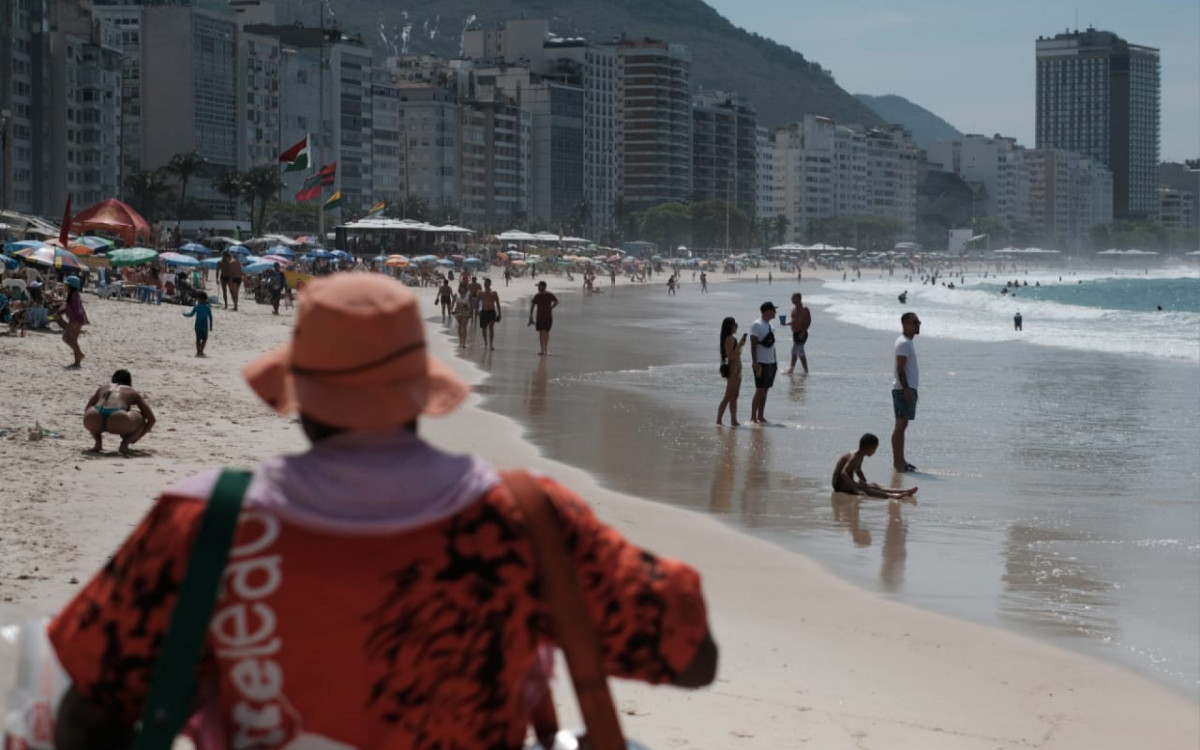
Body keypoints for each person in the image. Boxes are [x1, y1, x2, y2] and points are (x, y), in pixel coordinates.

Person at [50, 274, 717, 750]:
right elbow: (691, 658)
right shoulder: (525, 521)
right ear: (418, 391)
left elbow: (90, 714)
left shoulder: (202, 523)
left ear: (299, 396)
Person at [82, 369, 156, 455]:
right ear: (129, 382)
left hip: (92, 418)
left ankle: (98, 443)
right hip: (118, 418)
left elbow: (87, 408)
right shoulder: (131, 391)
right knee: (141, 415)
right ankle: (124, 445)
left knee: (93, 412)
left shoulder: (103, 387)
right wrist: (137, 437)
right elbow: (151, 419)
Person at [833, 434, 918, 499]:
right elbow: (843, 473)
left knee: (874, 486)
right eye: (874, 449)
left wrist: (864, 481)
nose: (874, 452)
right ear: (867, 448)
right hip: (839, 483)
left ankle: (905, 490)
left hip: (846, 482)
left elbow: (858, 470)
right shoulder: (854, 457)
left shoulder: (860, 456)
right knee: (866, 490)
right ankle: (893, 496)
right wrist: (856, 489)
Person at [891, 311, 921, 472]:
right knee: (900, 425)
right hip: (903, 389)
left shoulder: (907, 342)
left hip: (906, 388)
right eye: (914, 322)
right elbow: (900, 369)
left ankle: (901, 460)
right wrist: (906, 389)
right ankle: (898, 462)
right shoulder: (903, 343)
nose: (917, 325)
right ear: (904, 324)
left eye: (918, 322)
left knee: (902, 425)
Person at [748, 302, 778, 424]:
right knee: (760, 389)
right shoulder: (757, 325)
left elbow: (772, 346)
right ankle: (753, 416)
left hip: (771, 362)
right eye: (773, 310)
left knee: (765, 390)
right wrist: (755, 361)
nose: (775, 313)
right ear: (766, 311)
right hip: (760, 362)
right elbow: (753, 344)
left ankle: (761, 416)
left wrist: (775, 361)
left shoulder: (771, 325)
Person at [716, 317, 748, 426]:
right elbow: (731, 356)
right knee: (728, 396)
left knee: (735, 396)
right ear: (730, 327)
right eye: (734, 325)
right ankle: (719, 420)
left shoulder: (733, 339)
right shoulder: (729, 339)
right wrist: (740, 344)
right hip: (733, 368)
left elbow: (738, 354)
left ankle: (733, 420)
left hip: (738, 367)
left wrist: (742, 344)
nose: (736, 326)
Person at [59, 276, 88, 368]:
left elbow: (78, 309)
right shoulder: (71, 294)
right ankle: (79, 354)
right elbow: (67, 307)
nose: (64, 286)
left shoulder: (74, 295)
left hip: (76, 321)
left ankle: (77, 362)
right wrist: (58, 313)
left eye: (66, 285)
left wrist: (76, 321)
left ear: (70, 286)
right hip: (73, 320)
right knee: (66, 338)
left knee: (73, 341)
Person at [528, 280, 558, 356]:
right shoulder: (550, 294)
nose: (538, 287)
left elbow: (533, 305)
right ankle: (546, 349)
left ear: (543, 286)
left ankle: (542, 350)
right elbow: (556, 302)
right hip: (548, 316)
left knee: (541, 332)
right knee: (546, 332)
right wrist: (551, 307)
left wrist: (531, 315)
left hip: (540, 316)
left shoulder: (538, 295)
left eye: (539, 286)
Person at [785, 292, 811, 375]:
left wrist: (804, 331)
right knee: (800, 352)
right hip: (795, 333)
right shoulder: (793, 310)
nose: (792, 299)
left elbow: (808, 321)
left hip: (802, 333)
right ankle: (805, 370)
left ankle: (791, 370)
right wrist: (786, 324)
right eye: (792, 298)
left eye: (793, 298)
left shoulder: (804, 309)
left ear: (799, 299)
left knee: (794, 351)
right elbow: (794, 321)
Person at [183, 291, 215, 357]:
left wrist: (186, 315)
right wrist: (211, 325)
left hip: (198, 325)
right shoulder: (207, 307)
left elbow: (191, 314)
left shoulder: (197, 307)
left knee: (198, 339)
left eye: (197, 298)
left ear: (200, 299)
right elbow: (210, 317)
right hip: (204, 326)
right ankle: (201, 351)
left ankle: (199, 352)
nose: (197, 300)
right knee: (204, 339)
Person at [478, 277, 501, 350]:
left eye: (487, 283)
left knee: (491, 328)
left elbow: (497, 303)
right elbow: (478, 302)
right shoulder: (481, 293)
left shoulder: (494, 293)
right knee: (484, 329)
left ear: (490, 284)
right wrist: (478, 311)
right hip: (484, 311)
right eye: (485, 283)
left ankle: (491, 344)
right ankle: (485, 343)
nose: (486, 285)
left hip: (491, 312)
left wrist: (499, 313)